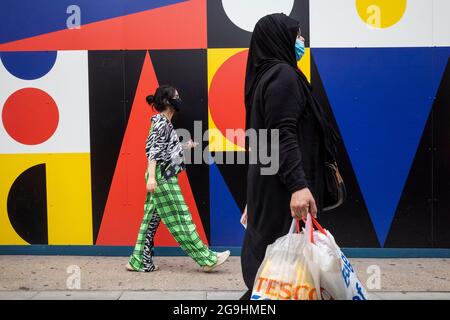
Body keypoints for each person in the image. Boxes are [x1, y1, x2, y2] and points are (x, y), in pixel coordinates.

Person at [240, 13, 339, 299]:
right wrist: (298, 185)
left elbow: (263, 140)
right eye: (297, 35)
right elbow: (283, 134)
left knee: (278, 275)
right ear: (279, 38)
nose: (302, 40)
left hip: (271, 188)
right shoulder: (283, 76)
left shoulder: (263, 78)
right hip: (285, 191)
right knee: (285, 277)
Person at [127, 85, 230, 272]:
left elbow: (164, 149)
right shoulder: (161, 122)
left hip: (161, 174)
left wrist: (184, 145)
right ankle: (206, 259)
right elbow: (153, 150)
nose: (179, 98)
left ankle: (138, 260)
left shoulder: (164, 122)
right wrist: (152, 177)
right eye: (176, 96)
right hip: (162, 176)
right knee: (181, 216)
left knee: (150, 218)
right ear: (168, 101)